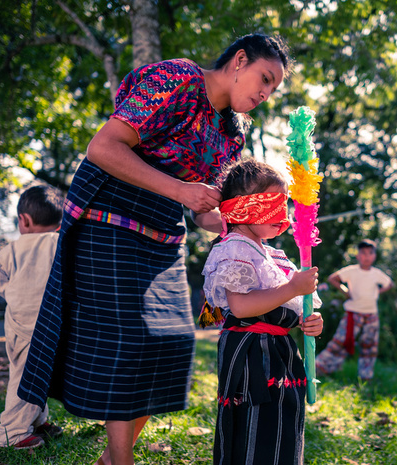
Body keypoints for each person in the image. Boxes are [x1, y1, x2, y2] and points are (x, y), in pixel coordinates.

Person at [17, 33, 291, 465]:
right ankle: (120, 461)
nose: (264, 93)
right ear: (239, 60)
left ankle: (111, 459)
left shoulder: (233, 135)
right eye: (264, 78)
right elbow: (102, 147)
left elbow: (203, 212)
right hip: (110, 217)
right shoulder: (176, 78)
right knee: (128, 342)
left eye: (272, 89)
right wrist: (180, 190)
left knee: (172, 343)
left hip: (163, 232)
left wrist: (245, 226)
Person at [202, 158, 324, 465]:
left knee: (284, 416)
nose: (281, 214)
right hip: (250, 351)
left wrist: (308, 321)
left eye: (283, 205)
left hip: (281, 351)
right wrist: (292, 290)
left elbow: (287, 308)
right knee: (254, 420)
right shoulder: (235, 248)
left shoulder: (274, 256)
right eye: (271, 203)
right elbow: (242, 305)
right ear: (243, 207)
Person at [0, 185, 64, 450]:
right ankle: (12, 432)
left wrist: (12, 291)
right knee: (40, 375)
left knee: (25, 376)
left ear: (24, 220)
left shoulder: (11, 250)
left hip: (21, 327)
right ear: (59, 222)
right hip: (52, 325)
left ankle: (29, 424)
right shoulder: (60, 245)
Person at [315, 239, 393, 381]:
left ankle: (365, 377)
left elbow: (389, 284)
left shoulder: (376, 273)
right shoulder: (352, 271)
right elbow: (333, 278)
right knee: (341, 342)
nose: (367, 256)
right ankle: (319, 368)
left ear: (374, 256)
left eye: (370, 253)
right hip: (353, 314)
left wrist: (377, 293)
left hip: (371, 315)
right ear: (358, 255)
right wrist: (345, 291)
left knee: (369, 346)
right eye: (363, 253)